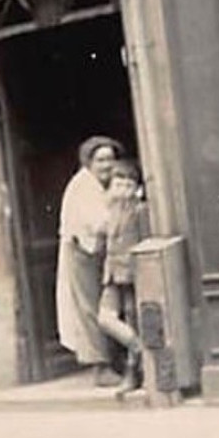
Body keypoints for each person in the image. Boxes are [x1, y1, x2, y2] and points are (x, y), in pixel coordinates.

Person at [56, 135, 123, 387]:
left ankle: (111, 361)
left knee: (105, 306)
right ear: (89, 162)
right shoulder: (83, 186)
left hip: (97, 250)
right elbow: (97, 222)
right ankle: (99, 366)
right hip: (82, 252)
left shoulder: (103, 185)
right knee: (90, 307)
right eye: (101, 160)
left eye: (110, 159)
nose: (107, 165)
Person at [97, 159, 149, 397]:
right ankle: (138, 348)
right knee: (105, 318)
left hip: (130, 273)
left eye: (127, 186)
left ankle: (134, 371)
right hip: (112, 273)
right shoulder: (109, 211)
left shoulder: (140, 210)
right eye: (117, 185)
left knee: (132, 316)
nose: (122, 191)